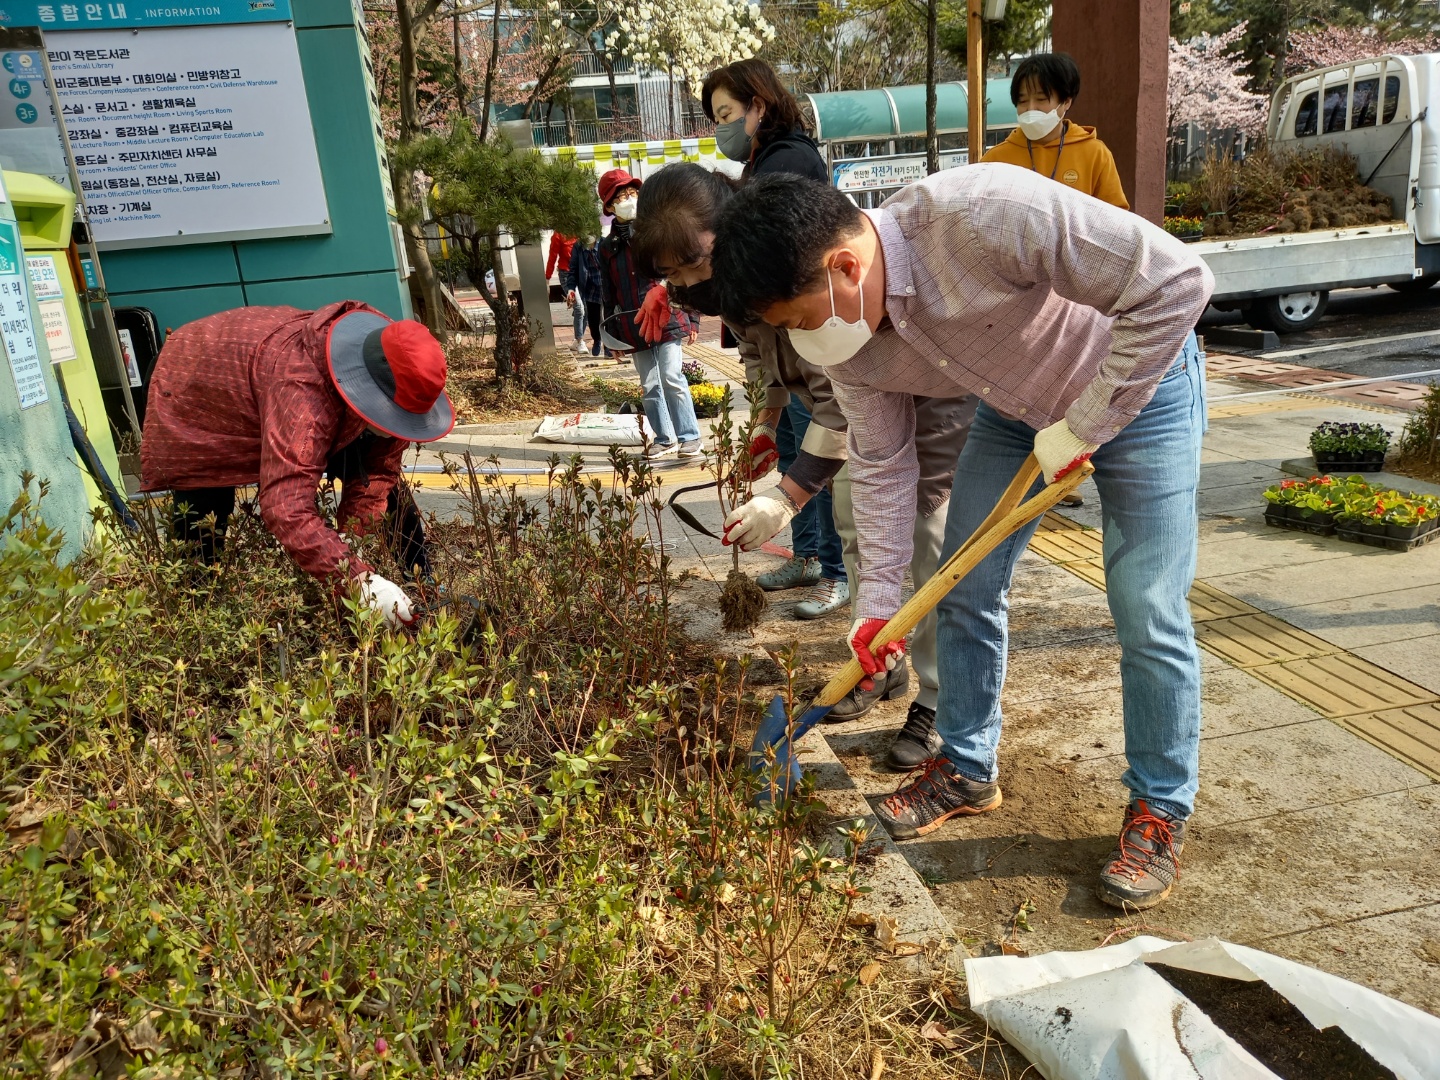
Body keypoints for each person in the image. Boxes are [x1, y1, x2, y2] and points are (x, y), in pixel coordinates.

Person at [710, 168, 1213, 912]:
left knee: (1146, 604)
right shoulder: (845, 343)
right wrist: (877, 608)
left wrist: (1087, 423)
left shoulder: (983, 216)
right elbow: (882, 466)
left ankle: (1159, 808)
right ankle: (967, 764)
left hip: (1144, 389)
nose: (799, 340)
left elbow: (1176, 282)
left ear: (845, 267)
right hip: (1017, 416)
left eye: (797, 319)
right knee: (963, 586)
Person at [633, 163, 972, 764]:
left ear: (727, 230)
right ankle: (880, 665)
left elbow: (841, 405)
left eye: (691, 261)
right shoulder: (738, 294)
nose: (686, 282)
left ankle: (940, 702)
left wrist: (785, 497)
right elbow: (769, 369)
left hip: (915, 406)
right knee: (861, 537)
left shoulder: (791, 276)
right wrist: (766, 424)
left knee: (926, 546)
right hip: (854, 417)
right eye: (672, 274)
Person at [140, 302, 454, 628]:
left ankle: (423, 593)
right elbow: (285, 505)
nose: (396, 428)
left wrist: (350, 549)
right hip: (193, 381)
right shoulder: (302, 389)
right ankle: (194, 622)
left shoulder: (404, 365)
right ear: (366, 387)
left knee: (388, 491)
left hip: (262, 374)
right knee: (205, 515)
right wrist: (357, 581)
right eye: (391, 416)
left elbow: (379, 473)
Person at [596, 168, 703, 460]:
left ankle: (690, 436)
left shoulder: (657, 232)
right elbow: (609, 292)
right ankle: (665, 438)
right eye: (621, 196)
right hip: (634, 324)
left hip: (668, 317)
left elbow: (683, 271)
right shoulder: (606, 248)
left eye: (632, 193)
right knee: (650, 385)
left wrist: (692, 318)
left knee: (671, 376)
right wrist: (611, 337)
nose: (629, 199)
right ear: (609, 207)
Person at [982, 52, 1128, 209]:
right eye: (1023, 101)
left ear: (1066, 102)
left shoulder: (1095, 154)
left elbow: (1117, 220)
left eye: (1041, 99)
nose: (1030, 108)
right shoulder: (996, 159)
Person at [547, 231, 585, 350]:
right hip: (567, 275)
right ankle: (579, 341)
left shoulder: (582, 230)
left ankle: (577, 338)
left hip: (583, 273)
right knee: (579, 307)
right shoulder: (558, 235)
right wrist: (547, 278)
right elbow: (552, 256)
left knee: (585, 308)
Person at [570, 235, 605, 357]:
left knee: (610, 317)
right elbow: (573, 269)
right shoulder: (578, 247)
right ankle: (597, 340)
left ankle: (610, 345)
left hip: (607, 285)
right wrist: (571, 288)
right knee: (594, 319)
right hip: (590, 288)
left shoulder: (605, 243)